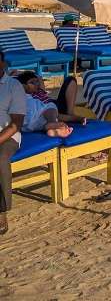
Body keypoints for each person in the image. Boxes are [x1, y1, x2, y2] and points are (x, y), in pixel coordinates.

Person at [0, 50, 26, 235]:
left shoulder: (13, 87)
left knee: (0, 160)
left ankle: (1, 211)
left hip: (7, 135)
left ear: (3, 65)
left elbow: (17, 123)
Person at [14, 71, 86, 137]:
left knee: (71, 80)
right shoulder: (25, 96)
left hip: (53, 107)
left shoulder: (40, 91)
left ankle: (69, 114)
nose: (36, 85)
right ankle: (54, 125)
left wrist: (20, 73)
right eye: (33, 83)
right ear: (24, 86)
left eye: (37, 82)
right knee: (48, 113)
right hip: (44, 112)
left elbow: (39, 78)